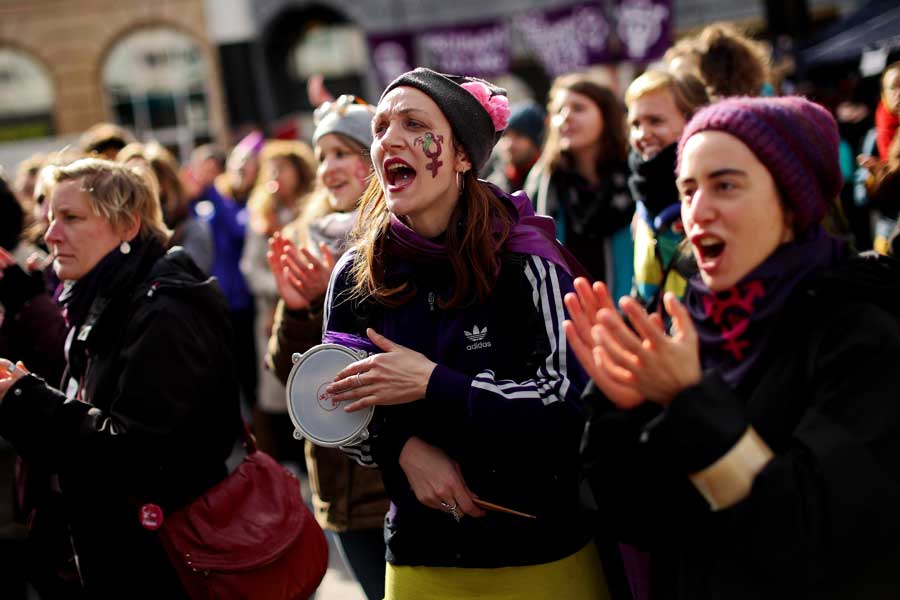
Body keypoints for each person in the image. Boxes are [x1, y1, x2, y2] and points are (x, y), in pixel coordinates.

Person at [566, 96, 900, 598]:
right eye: (687, 189)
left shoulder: (861, 335)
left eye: (725, 185)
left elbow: (809, 543)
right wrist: (620, 412)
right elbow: (644, 523)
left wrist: (689, 400)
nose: (696, 212)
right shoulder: (687, 327)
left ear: (791, 203)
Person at [322, 67, 608, 600]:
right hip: (419, 560)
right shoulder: (357, 274)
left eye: (414, 123)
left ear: (461, 155)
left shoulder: (528, 264)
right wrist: (401, 446)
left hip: (544, 553)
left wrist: (435, 383)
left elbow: (570, 406)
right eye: (382, 127)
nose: (390, 139)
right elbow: (333, 403)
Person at [0, 158, 241, 597]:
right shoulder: (103, 295)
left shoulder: (164, 308)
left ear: (128, 226)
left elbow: (138, 453)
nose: (51, 234)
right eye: (51, 218)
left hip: (169, 562)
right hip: (129, 553)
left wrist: (28, 400)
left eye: (71, 218)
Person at [265, 94, 390, 600]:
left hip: (390, 480)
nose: (330, 166)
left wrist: (328, 302)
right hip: (335, 483)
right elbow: (285, 371)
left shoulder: (395, 233)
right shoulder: (305, 237)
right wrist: (299, 310)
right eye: (322, 156)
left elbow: (391, 351)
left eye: (344, 151)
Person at [525, 73, 634, 301]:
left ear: (606, 115)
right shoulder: (543, 183)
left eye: (578, 108)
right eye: (559, 111)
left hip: (629, 318)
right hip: (566, 319)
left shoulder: (635, 179)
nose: (566, 117)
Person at [241, 140, 315, 460]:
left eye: (282, 167)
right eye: (271, 168)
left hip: (309, 310)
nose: (276, 175)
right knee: (278, 386)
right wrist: (280, 285)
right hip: (271, 315)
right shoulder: (262, 216)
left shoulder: (313, 209)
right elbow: (249, 266)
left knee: (310, 385)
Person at [625, 69, 709, 313]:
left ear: (692, 120)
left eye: (656, 121)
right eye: (635, 124)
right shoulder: (642, 204)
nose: (642, 135)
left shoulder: (711, 197)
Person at [194, 130, 261, 408]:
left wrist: (211, 188)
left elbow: (238, 230)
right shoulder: (209, 205)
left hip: (243, 302)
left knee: (249, 370)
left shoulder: (243, 204)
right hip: (218, 300)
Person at [117, 141, 214, 273]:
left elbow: (185, 279)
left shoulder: (191, 230)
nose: (130, 190)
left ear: (162, 186)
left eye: (142, 180)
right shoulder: (116, 231)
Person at [487, 100, 545, 194]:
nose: (509, 144)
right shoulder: (495, 184)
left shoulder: (549, 182)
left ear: (536, 141)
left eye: (518, 136)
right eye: (505, 135)